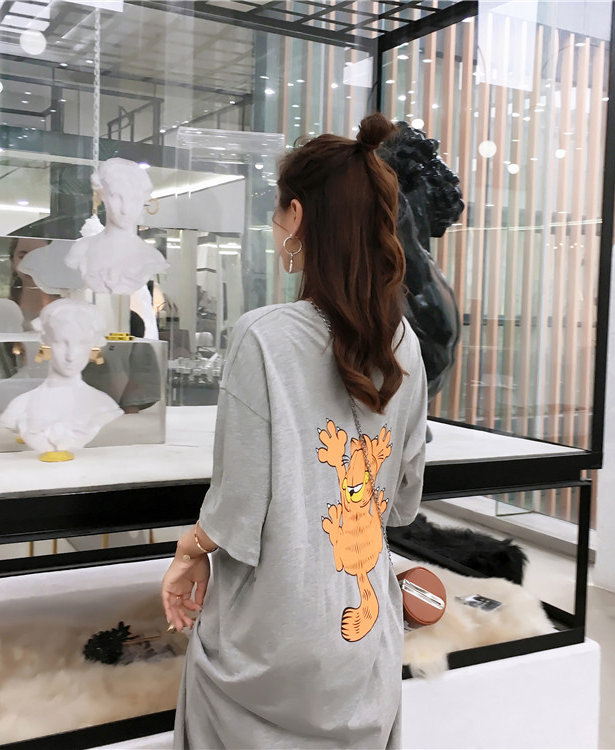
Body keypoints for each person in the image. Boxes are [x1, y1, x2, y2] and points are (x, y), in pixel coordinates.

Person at [161, 113, 428, 750]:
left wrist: (189, 551)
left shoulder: (264, 336)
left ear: (298, 215)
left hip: (274, 644)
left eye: (277, 211)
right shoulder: (406, 346)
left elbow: (239, 508)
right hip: (365, 639)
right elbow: (404, 501)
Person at [0, 298, 123, 457]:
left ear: (94, 345)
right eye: (61, 343)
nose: (71, 356)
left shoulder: (103, 405)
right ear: (45, 341)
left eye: (82, 343)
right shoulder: (20, 406)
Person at [65, 158, 168, 294]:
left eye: (134, 200)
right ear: (103, 197)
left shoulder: (151, 258)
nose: (125, 209)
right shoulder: (81, 250)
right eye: (116, 197)